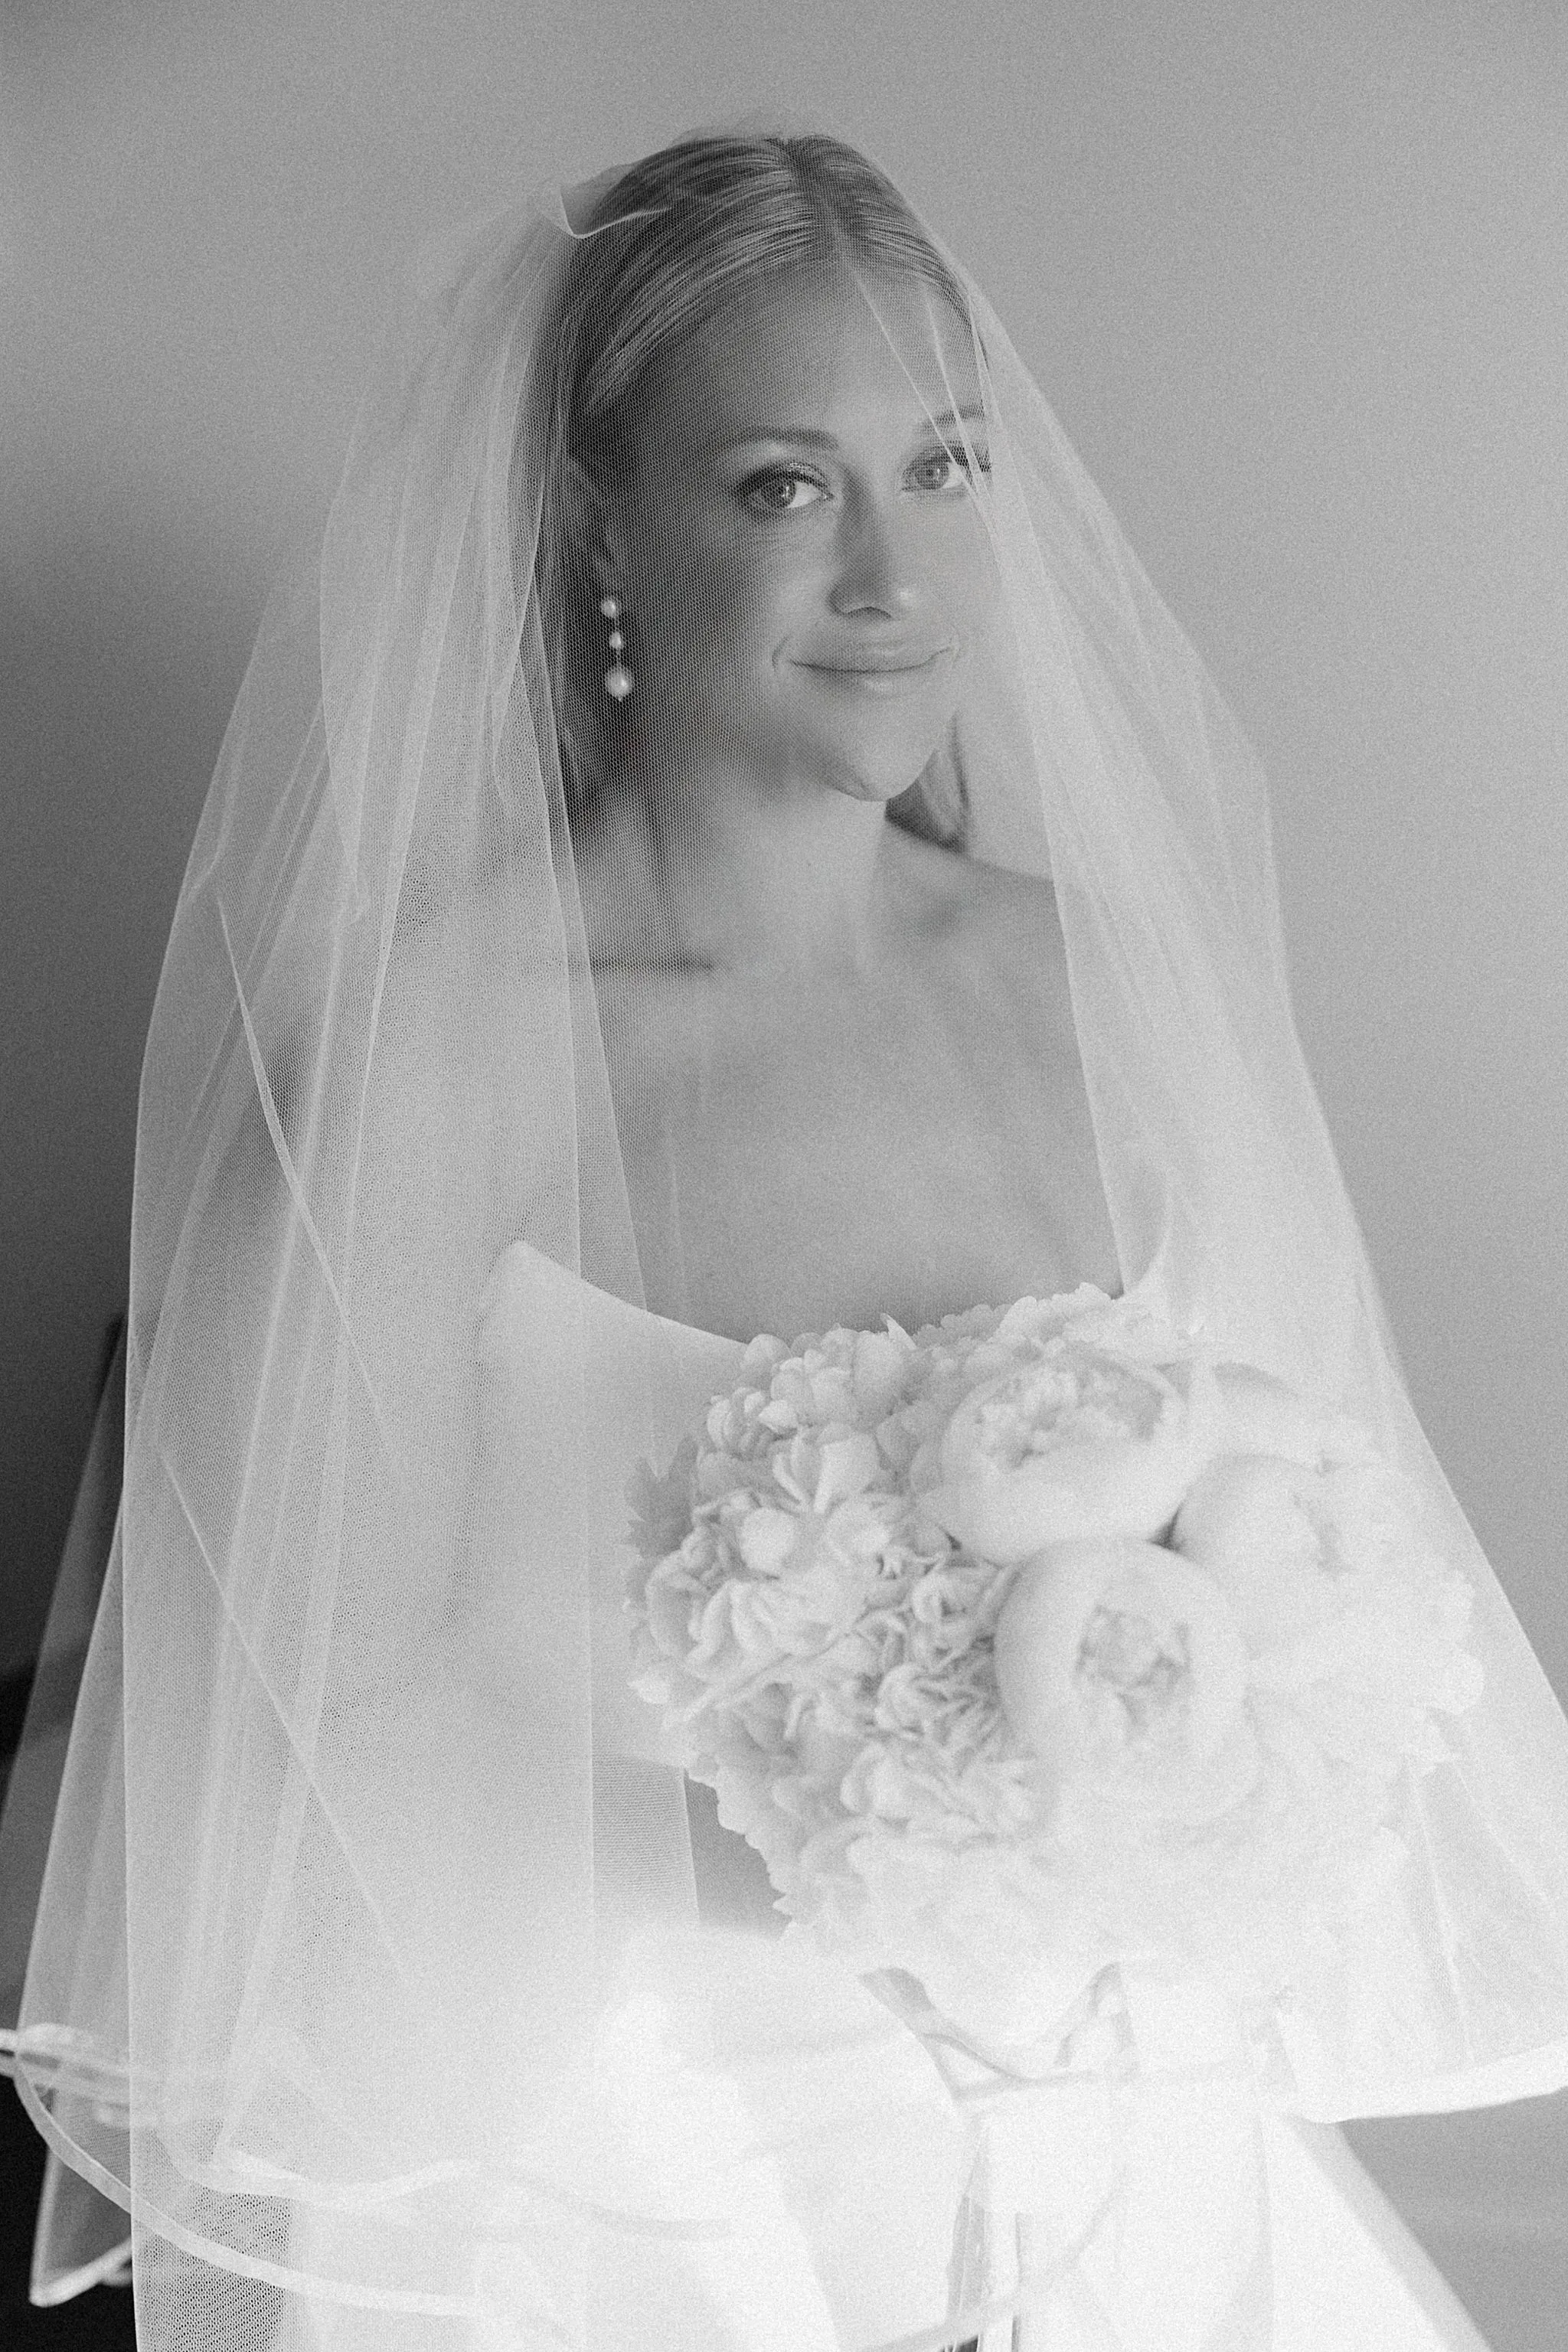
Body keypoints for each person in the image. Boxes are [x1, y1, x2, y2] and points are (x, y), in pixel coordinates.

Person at [6, 124, 1568, 2351]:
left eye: (936, 466)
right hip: (639, 2201)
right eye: (777, 488)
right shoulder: (455, 1059)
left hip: (1133, 2174)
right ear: (599, 549)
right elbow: (269, 1782)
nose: (891, 579)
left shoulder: (1098, 980)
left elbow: (1316, 1560)